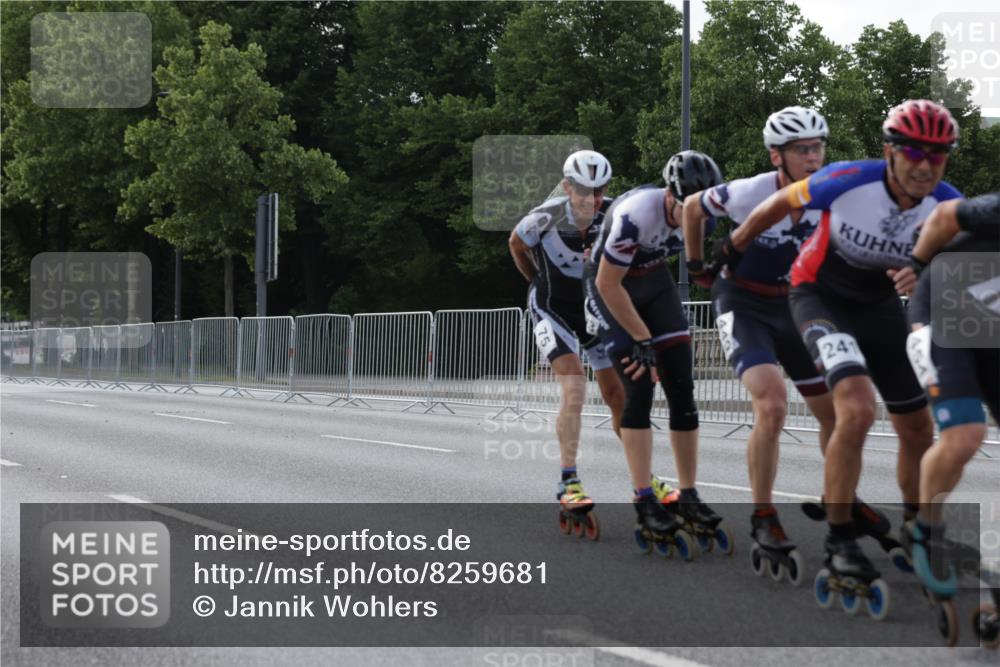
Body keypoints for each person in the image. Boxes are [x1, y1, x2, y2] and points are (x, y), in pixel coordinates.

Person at [716, 99, 962, 608]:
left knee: (917, 426)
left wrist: (927, 272)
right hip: (818, 294)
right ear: (889, 152)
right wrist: (736, 246)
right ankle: (841, 540)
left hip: (876, 304)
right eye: (913, 151)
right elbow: (778, 204)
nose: (924, 165)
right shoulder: (849, 179)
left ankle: (917, 524)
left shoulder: (945, 203)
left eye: (938, 155)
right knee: (855, 408)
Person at [681, 106, 836, 581]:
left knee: (838, 414)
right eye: (800, 150)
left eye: (817, 147)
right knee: (771, 405)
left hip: (793, 305)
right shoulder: (750, 192)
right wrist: (694, 265)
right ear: (777, 156)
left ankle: (840, 500)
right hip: (743, 304)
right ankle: (763, 514)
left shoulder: (831, 190)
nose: (812, 157)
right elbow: (691, 208)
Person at [586, 150, 729, 551]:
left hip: (654, 283)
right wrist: (641, 339)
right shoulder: (636, 215)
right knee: (640, 389)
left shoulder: (704, 214)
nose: (696, 217)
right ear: (670, 196)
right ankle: (643, 498)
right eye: (689, 208)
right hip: (611, 288)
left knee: (682, 387)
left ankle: (688, 494)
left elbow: (700, 265)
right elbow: (607, 284)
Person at [508, 150, 626, 528]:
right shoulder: (544, 217)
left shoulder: (615, 214)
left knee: (619, 397)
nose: (590, 198)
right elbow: (515, 244)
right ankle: (569, 479)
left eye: (598, 189)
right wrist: (535, 281)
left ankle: (644, 477)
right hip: (551, 308)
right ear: (566, 186)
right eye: (581, 189)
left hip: (592, 311)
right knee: (575, 384)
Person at [894, 193, 999, 601]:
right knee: (965, 433)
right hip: (942, 309)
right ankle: (926, 529)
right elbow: (942, 216)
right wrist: (915, 266)